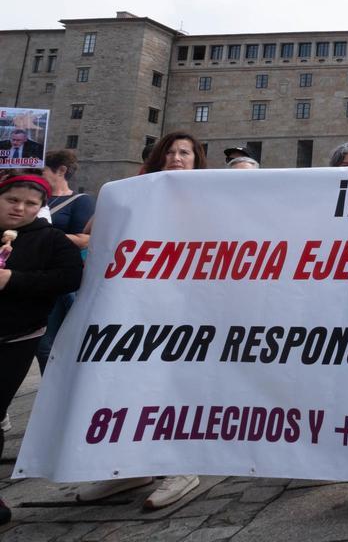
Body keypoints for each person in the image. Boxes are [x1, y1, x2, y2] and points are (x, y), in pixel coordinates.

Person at [76, 131, 206, 509]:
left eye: (184, 152)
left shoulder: (212, 194)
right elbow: (93, 232)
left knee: (177, 379)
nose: (176, 158)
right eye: (170, 152)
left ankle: (181, 466)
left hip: (188, 304)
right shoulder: (136, 190)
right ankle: (130, 467)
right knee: (131, 379)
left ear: (197, 159)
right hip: (141, 303)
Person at [0, 174, 83, 525]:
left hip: (15, 338)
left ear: (41, 208)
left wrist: (13, 280)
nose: (20, 207)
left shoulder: (52, 241)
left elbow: (69, 279)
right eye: (12, 200)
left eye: (30, 203)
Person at [36, 150, 95, 374]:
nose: (37, 175)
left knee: (48, 345)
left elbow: (85, 239)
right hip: (31, 276)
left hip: (60, 281)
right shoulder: (33, 198)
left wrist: (44, 235)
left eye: (41, 171)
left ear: (61, 170)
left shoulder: (81, 201)